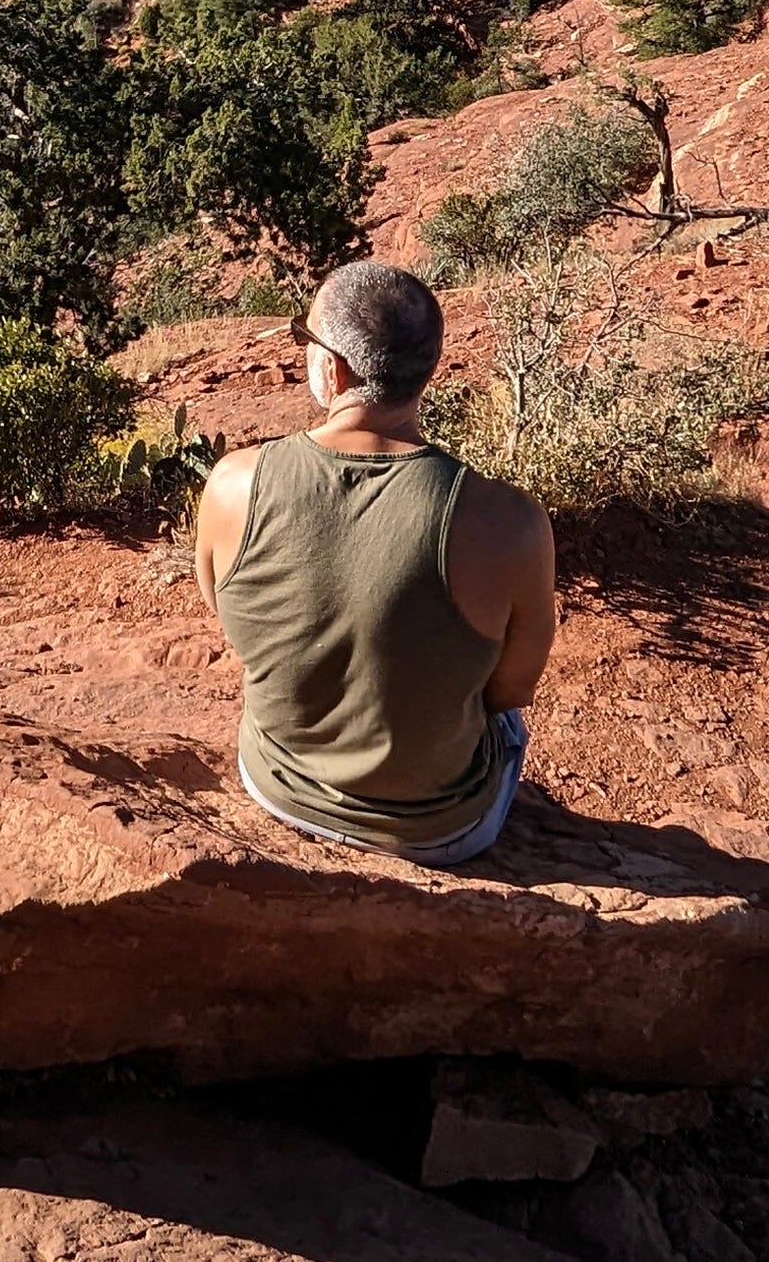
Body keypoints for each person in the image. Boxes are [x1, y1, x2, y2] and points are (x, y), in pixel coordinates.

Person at [196, 258, 557, 866]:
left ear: (332, 370)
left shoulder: (234, 483)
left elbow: (231, 617)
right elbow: (511, 688)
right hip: (437, 831)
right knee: (508, 725)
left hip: (279, 788)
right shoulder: (509, 522)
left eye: (304, 337)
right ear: (428, 366)